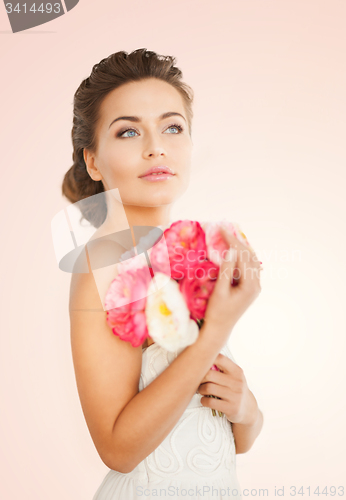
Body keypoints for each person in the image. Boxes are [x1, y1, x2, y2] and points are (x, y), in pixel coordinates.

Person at [62, 48, 264, 500]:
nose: (156, 146)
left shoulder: (196, 255)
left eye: (172, 127)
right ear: (93, 161)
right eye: (129, 131)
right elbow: (118, 449)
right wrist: (217, 330)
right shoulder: (104, 260)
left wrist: (248, 410)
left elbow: (224, 434)